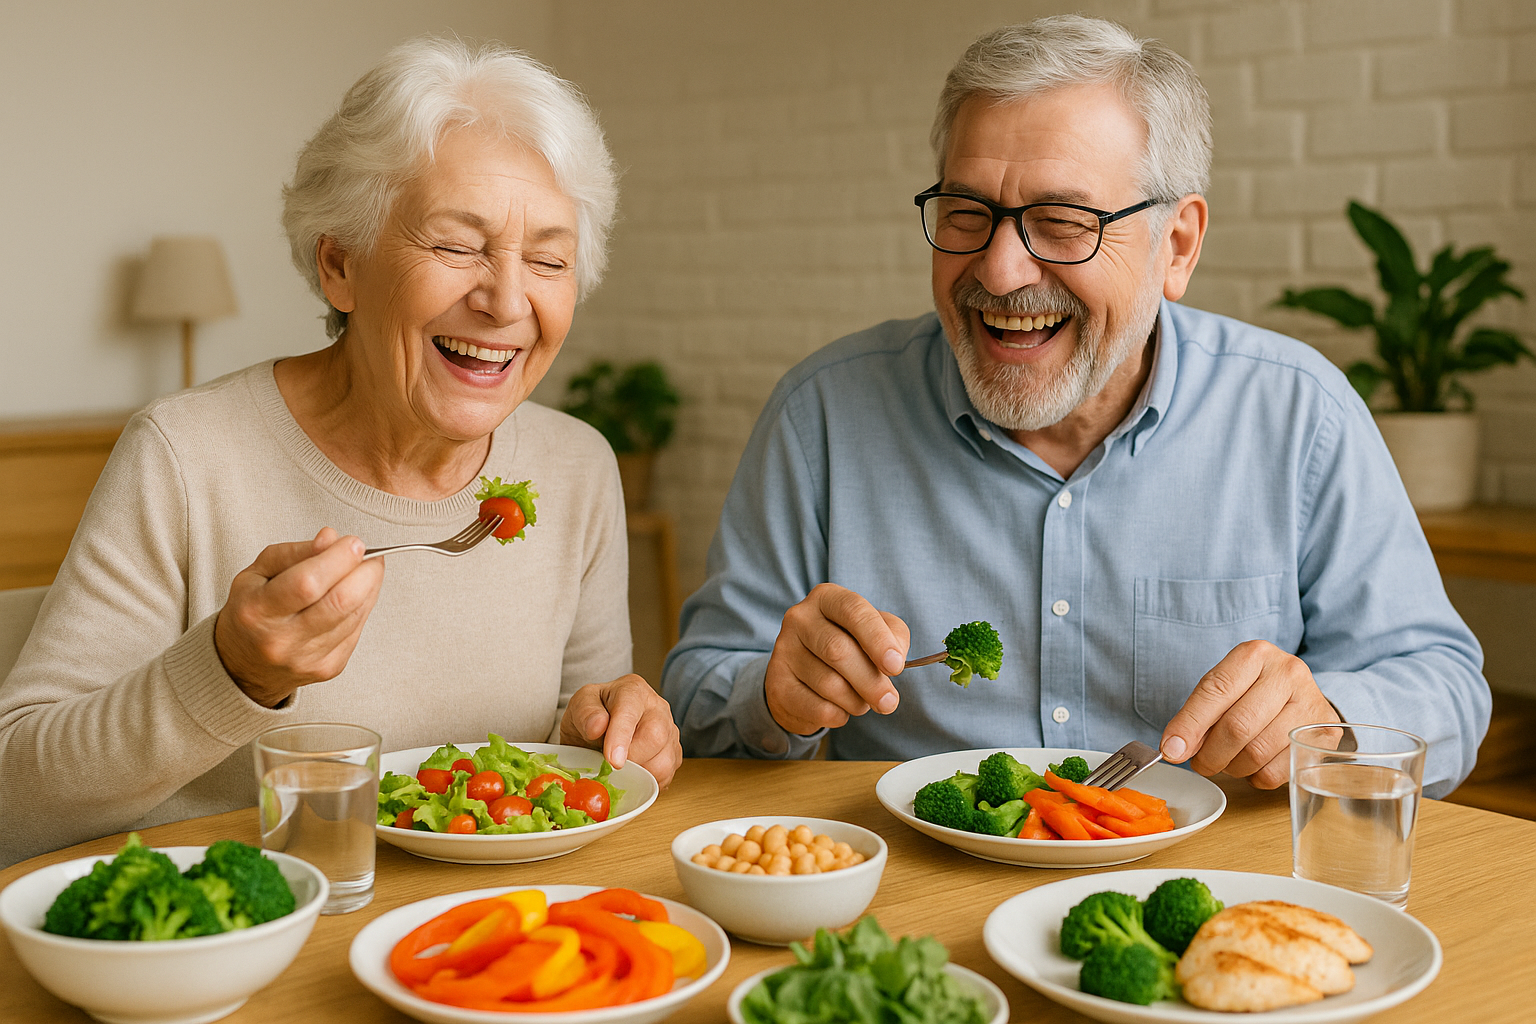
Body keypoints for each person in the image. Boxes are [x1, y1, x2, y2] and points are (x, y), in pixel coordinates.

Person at [662, 16, 1488, 799]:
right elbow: (698, 692)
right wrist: (772, 696)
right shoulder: (823, 415)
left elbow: (1444, 685)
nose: (1003, 270)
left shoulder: (1298, 414)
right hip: (915, 907)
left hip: (1210, 901)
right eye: (967, 214)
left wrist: (1330, 720)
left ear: (1178, 246)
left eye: (1062, 223)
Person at [0, 37, 681, 867]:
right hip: (251, 957)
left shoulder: (575, 468)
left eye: (547, 259)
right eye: (458, 246)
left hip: (488, 945)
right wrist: (230, 672)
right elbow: (16, 804)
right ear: (339, 265)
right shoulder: (184, 456)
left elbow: (565, 756)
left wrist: (592, 732)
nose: (506, 300)